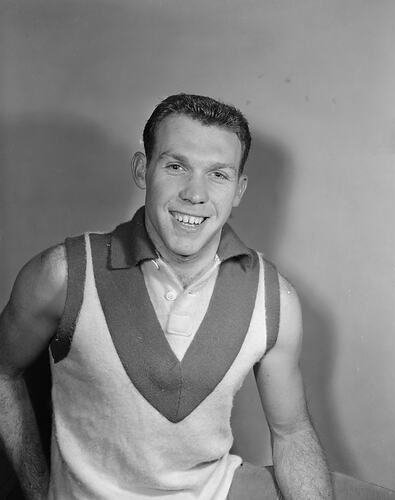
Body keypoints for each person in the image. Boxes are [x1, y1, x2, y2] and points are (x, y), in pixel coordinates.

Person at [0, 94, 333, 499]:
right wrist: (37, 492)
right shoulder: (64, 273)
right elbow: (3, 370)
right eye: (176, 167)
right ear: (143, 170)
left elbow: (291, 431)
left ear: (239, 189)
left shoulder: (273, 296)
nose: (195, 194)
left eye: (218, 175)